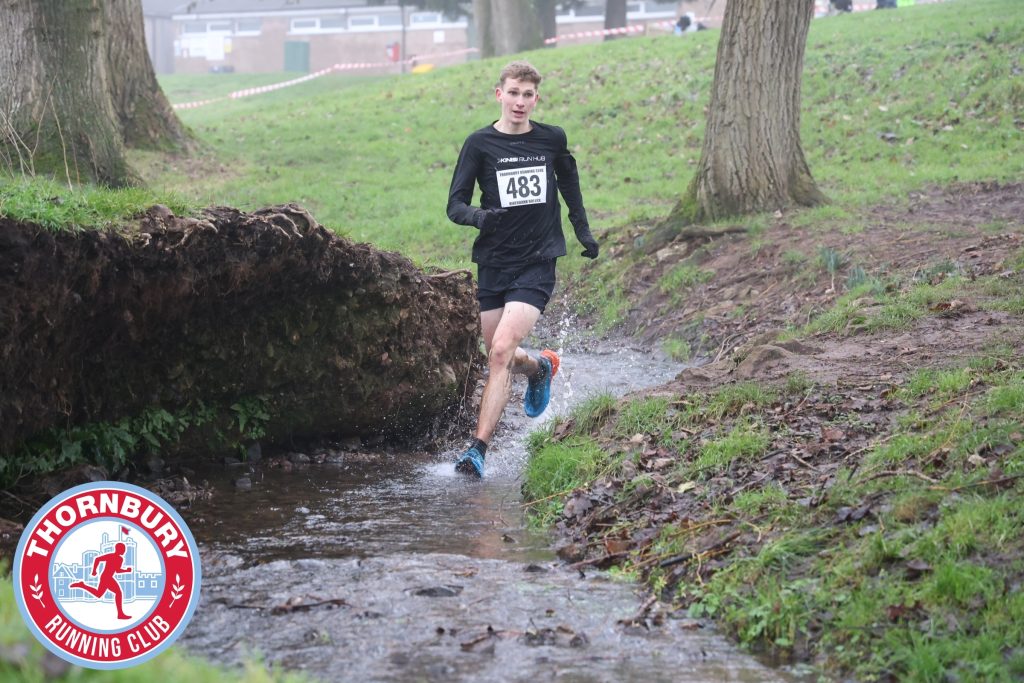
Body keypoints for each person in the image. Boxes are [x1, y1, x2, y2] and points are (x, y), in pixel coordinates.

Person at [446, 60, 598, 478]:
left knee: (497, 354)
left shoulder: (551, 139)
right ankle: (541, 367)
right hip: (494, 262)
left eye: (527, 95)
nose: (520, 102)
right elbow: (454, 206)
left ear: (536, 98)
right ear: (500, 94)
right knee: (502, 354)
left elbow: (570, 184)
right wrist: (481, 218)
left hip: (537, 260)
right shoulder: (479, 144)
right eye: (513, 93)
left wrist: (582, 231)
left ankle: (477, 450)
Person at [69, 542, 134, 619]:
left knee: (99, 594)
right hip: (106, 577)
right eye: (123, 549)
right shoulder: (111, 556)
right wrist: (94, 570)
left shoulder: (120, 559)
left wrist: (126, 571)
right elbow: (97, 559)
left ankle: (82, 585)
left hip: (108, 577)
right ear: (118, 549)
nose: (124, 551)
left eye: (125, 549)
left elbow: (117, 570)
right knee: (118, 592)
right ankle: (120, 614)